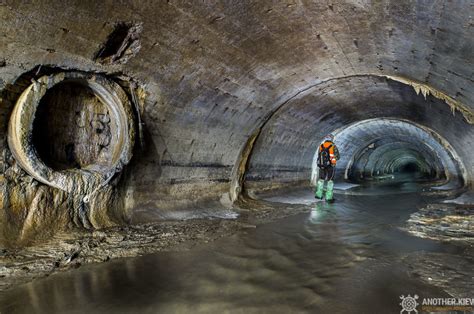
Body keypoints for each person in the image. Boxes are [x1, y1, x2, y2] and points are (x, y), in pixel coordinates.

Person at [315, 134, 340, 201]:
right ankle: (329, 197)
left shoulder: (321, 146)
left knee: (321, 179)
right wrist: (333, 160)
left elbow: (319, 155)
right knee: (330, 180)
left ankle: (318, 195)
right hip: (331, 166)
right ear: (331, 139)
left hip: (322, 165)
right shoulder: (333, 146)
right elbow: (337, 157)